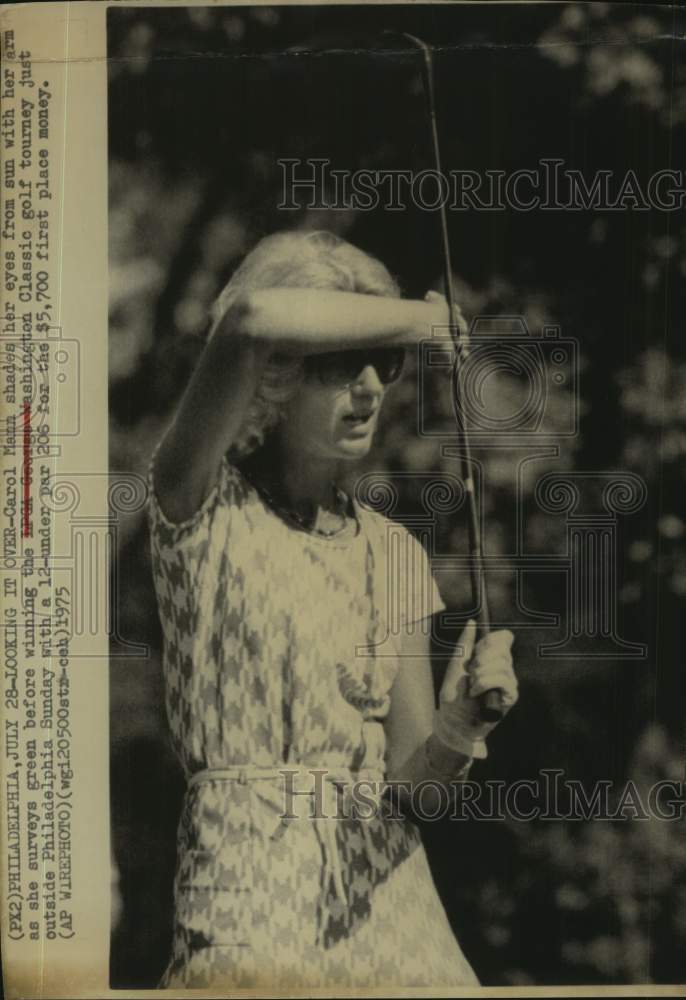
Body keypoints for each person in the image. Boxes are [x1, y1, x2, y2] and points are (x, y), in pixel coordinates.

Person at [145, 229, 518, 989]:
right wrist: (420, 321)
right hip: (247, 890)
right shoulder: (197, 502)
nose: (373, 387)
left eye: (388, 363)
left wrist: (461, 727)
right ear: (276, 378)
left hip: (390, 898)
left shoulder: (396, 553)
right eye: (344, 362)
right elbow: (248, 319)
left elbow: (418, 792)